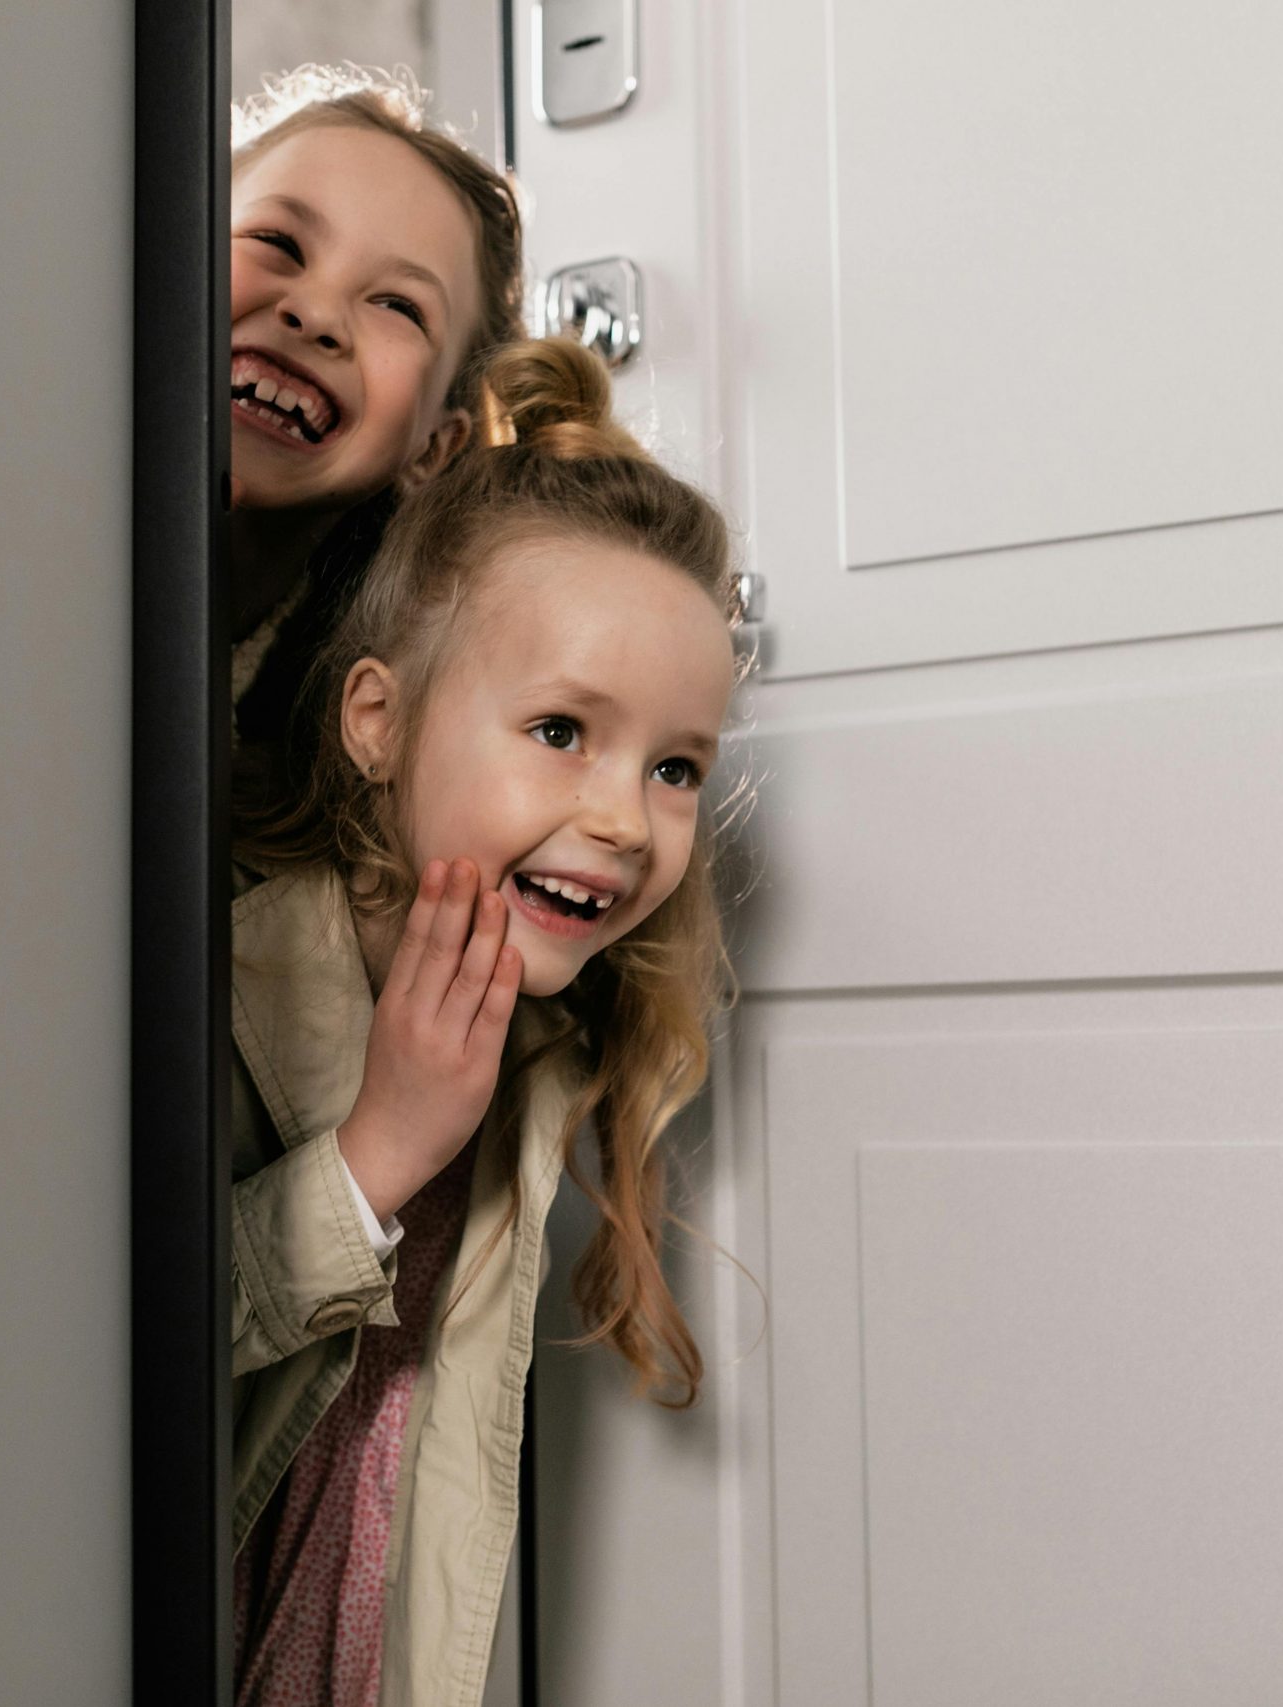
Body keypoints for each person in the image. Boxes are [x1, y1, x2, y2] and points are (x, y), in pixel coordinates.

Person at [227, 337, 743, 1706]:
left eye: (676, 764)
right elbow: (93, 1373)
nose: (627, 821)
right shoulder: (219, 991)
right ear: (378, 721)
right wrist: (376, 1153)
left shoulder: (540, 1058)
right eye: (563, 730)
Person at [227, 67, 527, 766]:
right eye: (277, 242)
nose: (317, 313)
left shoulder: (384, 719)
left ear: (434, 449)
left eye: (398, 306)